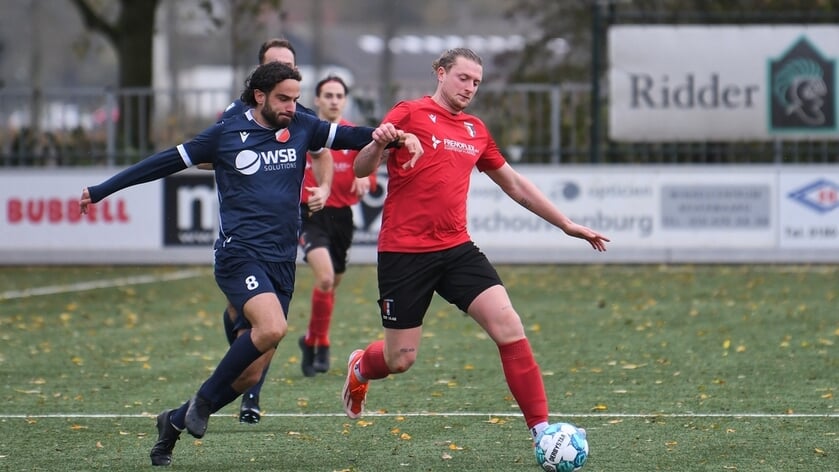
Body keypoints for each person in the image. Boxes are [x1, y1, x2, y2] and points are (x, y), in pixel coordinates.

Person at [79, 61, 420, 467]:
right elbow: (164, 161)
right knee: (273, 326)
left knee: (250, 375)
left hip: (282, 261)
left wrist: (394, 136)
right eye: (283, 99)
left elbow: (352, 136)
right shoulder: (226, 133)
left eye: (296, 99)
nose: (292, 107)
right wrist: (101, 190)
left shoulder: (304, 126)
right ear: (260, 95)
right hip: (238, 254)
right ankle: (202, 403)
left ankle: (171, 422)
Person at [341, 48, 609, 458]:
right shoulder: (409, 112)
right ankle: (361, 366)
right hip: (404, 253)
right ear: (441, 73)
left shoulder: (475, 130)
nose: (470, 88)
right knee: (400, 360)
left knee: (509, 326)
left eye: (477, 83)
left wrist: (566, 224)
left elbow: (515, 185)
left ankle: (541, 432)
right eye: (463, 78)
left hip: (457, 249)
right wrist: (377, 145)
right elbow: (361, 168)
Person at [216, 37, 333, 423]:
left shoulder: (297, 115)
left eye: (291, 65)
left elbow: (322, 152)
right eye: (277, 64)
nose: (286, 72)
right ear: (260, 81)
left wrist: (325, 188)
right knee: (263, 322)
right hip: (244, 234)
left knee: (271, 323)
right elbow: (207, 153)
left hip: (285, 228)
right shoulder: (234, 116)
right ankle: (245, 394)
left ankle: (248, 390)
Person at [297, 75, 376, 377]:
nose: (333, 100)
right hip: (311, 214)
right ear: (316, 100)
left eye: (338, 96)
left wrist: (364, 178)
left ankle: (310, 339)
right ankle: (323, 344)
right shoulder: (305, 134)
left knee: (331, 285)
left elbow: (369, 172)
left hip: (343, 218)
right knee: (326, 279)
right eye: (327, 95)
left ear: (344, 101)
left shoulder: (352, 136)